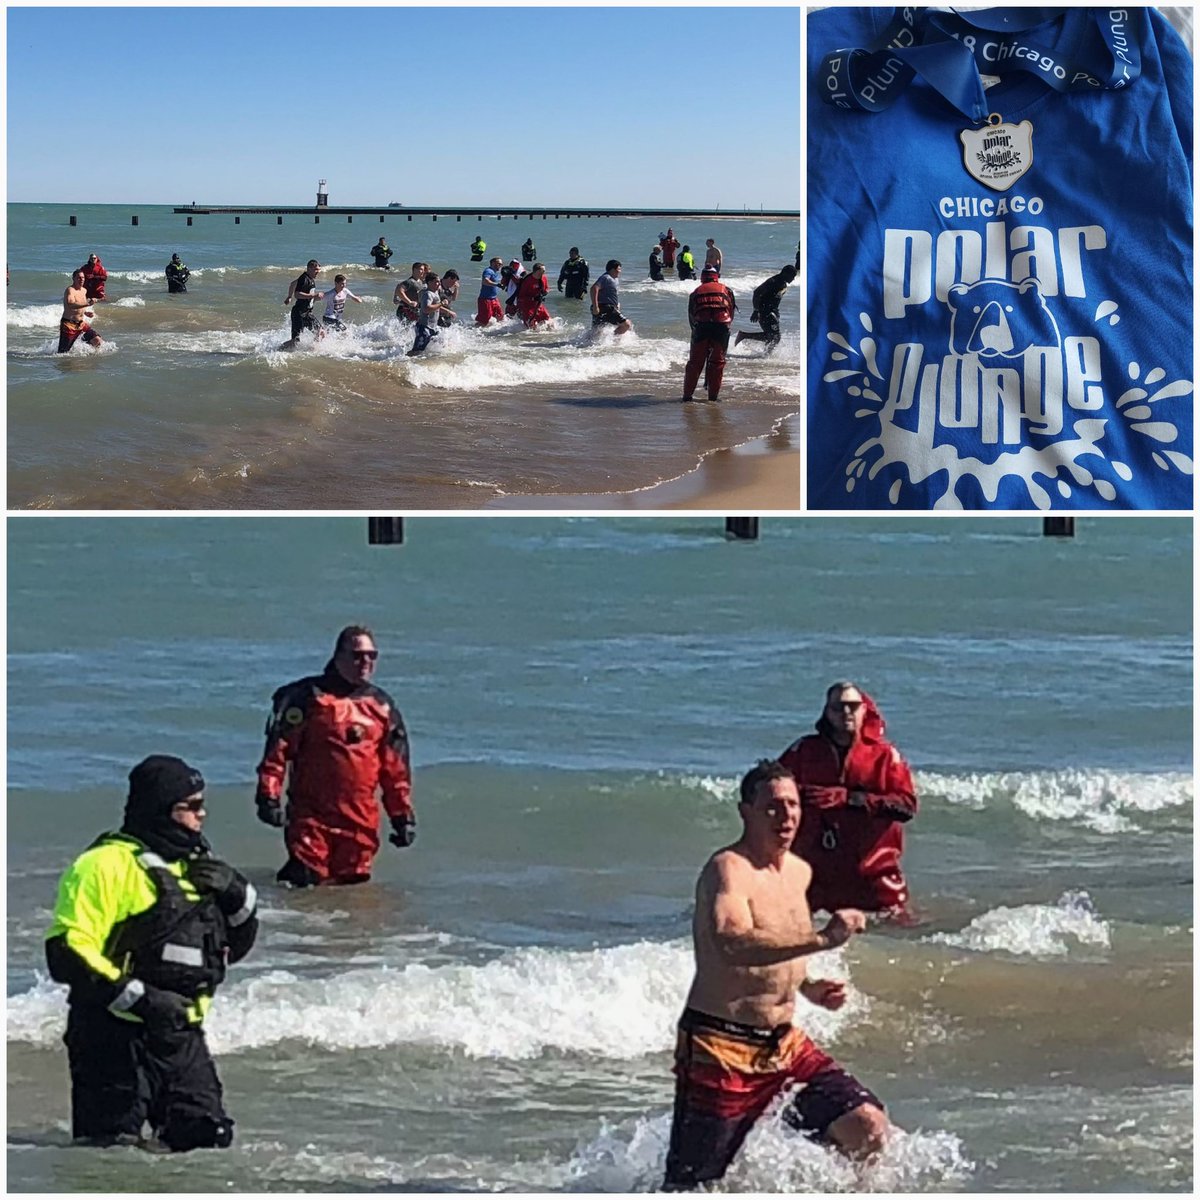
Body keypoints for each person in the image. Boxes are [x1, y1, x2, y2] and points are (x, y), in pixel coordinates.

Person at [662, 759, 889, 1191]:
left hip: (785, 1044)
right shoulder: (728, 869)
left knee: (867, 1127)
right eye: (772, 807)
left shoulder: (799, 872)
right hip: (720, 1046)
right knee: (691, 1186)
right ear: (745, 811)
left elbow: (782, 941)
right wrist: (824, 940)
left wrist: (807, 985)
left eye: (792, 805)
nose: (786, 817)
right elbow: (732, 942)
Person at [45, 755, 258, 1151]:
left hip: (179, 1038)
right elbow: (67, 952)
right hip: (111, 1036)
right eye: (190, 806)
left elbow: (229, 951)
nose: (202, 814)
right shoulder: (102, 865)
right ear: (160, 808)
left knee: (205, 1144)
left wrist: (239, 896)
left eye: (203, 804)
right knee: (111, 1157)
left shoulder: (198, 867)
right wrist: (142, 999)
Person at [255, 626, 414, 886]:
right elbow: (278, 752)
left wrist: (402, 817)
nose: (365, 662)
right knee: (303, 884)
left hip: (360, 821)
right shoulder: (306, 698)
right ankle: (283, 921)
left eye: (372, 656)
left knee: (351, 893)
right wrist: (268, 798)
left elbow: (395, 770)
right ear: (338, 656)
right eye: (357, 655)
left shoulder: (382, 707)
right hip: (312, 817)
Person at [779, 682, 917, 914]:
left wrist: (850, 799)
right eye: (838, 707)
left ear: (865, 710)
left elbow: (907, 806)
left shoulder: (885, 755)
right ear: (827, 711)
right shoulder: (803, 750)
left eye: (852, 706)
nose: (845, 713)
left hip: (874, 876)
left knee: (901, 938)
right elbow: (771, 787)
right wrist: (801, 795)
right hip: (814, 874)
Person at [682, 265, 737, 402]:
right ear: (716, 278)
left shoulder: (696, 291)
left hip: (701, 327)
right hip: (721, 327)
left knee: (695, 363)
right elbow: (731, 312)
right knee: (717, 363)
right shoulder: (726, 290)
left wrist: (695, 333)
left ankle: (687, 396)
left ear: (702, 278)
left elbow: (692, 316)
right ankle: (713, 398)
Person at [735, 264, 797, 354]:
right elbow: (756, 292)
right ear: (785, 273)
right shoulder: (773, 281)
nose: (793, 279)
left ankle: (766, 355)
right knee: (775, 337)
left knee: (772, 336)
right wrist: (756, 310)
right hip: (765, 312)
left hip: (772, 312)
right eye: (792, 276)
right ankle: (745, 336)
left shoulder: (782, 283)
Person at [58, 270, 103, 353]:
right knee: (62, 353)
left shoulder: (84, 290)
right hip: (69, 325)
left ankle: (85, 360)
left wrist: (85, 312)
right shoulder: (70, 290)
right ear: (73, 279)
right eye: (79, 278)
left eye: (83, 278)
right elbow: (71, 304)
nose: (81, 279)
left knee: (97, 341)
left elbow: (80, 304)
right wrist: (88, 303)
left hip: (81, 324)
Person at [282, 259, 322, 348]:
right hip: (299, 313)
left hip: (307, 313)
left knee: (320, 331)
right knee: (295, 341)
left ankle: (313, 350)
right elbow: (297, 294)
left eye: (319, 270)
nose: (318, 272)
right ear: (309, 269)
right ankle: (277, 349)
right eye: (316, 270)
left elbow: (293, 284)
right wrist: (314, 295)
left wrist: (289, 297)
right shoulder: (304, 279)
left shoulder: (308, 278)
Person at [407, 271, 446, 356]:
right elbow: (426, 309)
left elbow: (435, 307)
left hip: (433, 327)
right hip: (424, 328)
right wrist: (441, 304)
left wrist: (448, 311)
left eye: (439, 281)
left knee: (442, 345)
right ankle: (400, 362)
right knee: (416, 352)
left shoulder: (434, 292)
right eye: (436, 281)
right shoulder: (428, 294)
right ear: (429, 282)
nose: (439, 283)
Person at [590, 260, 632, 336]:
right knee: (626, 324)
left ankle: (599, 344)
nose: (620, 271)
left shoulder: (615, 279)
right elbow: (594, 289)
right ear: (612, 269)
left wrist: (616, 304)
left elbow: (612, 294)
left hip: (609, 307)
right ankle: (612, 340)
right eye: (618, 269)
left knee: (597, 331)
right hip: (605, 308)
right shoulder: (606, 278)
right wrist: (595, 306)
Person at [515, 263, 552, 328]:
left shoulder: (544, 278)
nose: (544, 272)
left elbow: (547, 288)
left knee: (550, 322)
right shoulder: (527, 281)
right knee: (531, 327)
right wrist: (533, 298)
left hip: (538, 304)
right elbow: (521, 297)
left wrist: (546, 292)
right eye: (543, 270)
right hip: (527, 306)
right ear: (537, 271)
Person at [476, 256, 505, 326]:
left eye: (501, 264)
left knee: (500, 316)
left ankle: (499, 332)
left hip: (494, 298)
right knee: (484, 321)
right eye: (499, 264)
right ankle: (474, 331)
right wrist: (497, 284)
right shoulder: (488, 271)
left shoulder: (495, 272)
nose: (500, 266)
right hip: (485, 299)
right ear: (492, 263)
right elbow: (485, 281)